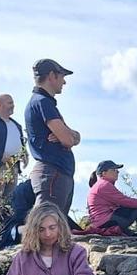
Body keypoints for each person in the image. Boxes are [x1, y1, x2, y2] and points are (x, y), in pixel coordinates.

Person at [25, 59, 81, 215]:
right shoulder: (42, 103)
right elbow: (69, 140)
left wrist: (68, 134)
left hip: (57, 173)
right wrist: (68, 135)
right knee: (45, 224)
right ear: (51, 76)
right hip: (52, 174)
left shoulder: (44, 103)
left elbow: (74, 137)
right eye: (62, 76)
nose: (64, 82)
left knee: (54, 227)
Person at [87, 160, 137, 236]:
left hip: (100, 222)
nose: (117, 172)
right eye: (114, 170)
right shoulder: (104, 185)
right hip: (105, 222)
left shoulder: (99, 185)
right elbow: (126, 201)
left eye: (117, 170)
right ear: (103, 173)